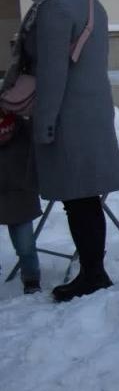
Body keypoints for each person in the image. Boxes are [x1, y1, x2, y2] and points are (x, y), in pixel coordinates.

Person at [4, 0, 119, 302]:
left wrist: (44, 124)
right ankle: (94, 268)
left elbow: (53, 72)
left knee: (78, 199)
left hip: (66, 115)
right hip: (91, 111)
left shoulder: (53, 5)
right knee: (86, 196)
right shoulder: (89, 0)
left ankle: (93, 272)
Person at [0, 115, 41, 294]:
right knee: (25, 245)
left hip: (21, 194)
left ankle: (31, 280)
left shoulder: (24, 129)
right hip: (13, 192)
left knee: (25, 246)